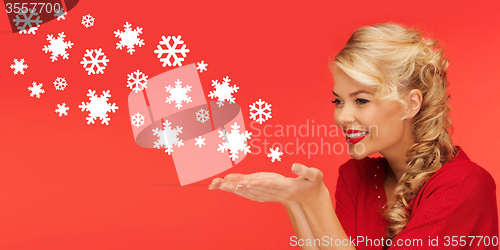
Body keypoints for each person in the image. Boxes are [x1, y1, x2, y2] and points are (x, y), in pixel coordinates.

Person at [208, 22, 499, 249]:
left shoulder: (464, 187)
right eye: (338, 101)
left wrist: (316, 202)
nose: (342, 117)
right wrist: (295, 202)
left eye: (361, 100)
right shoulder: (356, 178)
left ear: (411, 104)